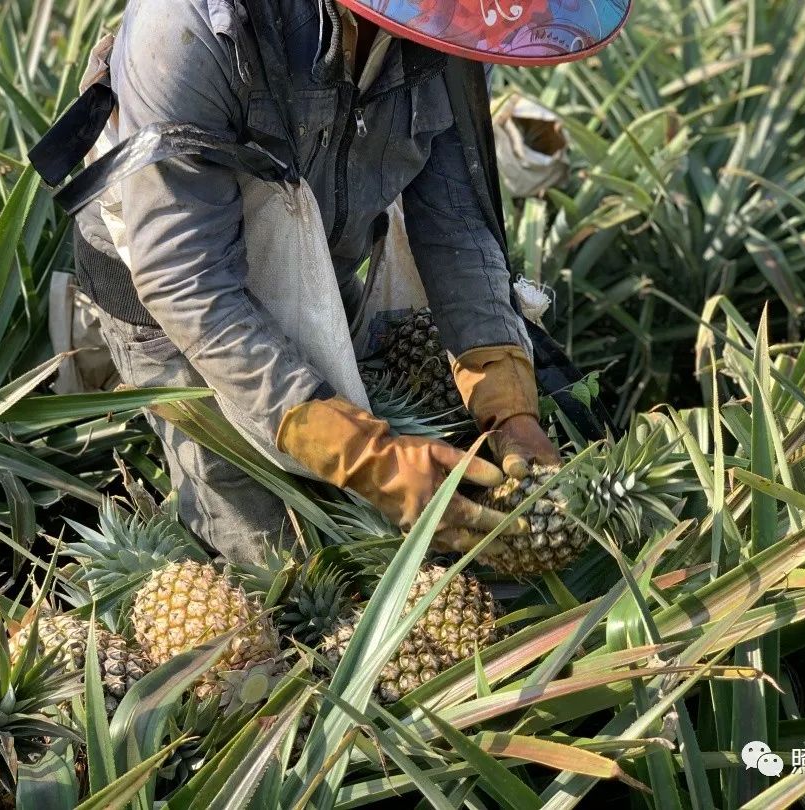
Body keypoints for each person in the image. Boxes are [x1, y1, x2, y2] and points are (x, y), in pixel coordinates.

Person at [64, 0, 629, 563]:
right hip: (172, 297)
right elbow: (184, 277)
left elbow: (456, 223)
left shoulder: (460, 26)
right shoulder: (189, 22)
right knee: (278, 561)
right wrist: (364, 457)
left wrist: (509, 402)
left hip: (315, 270)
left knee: (375, 517)